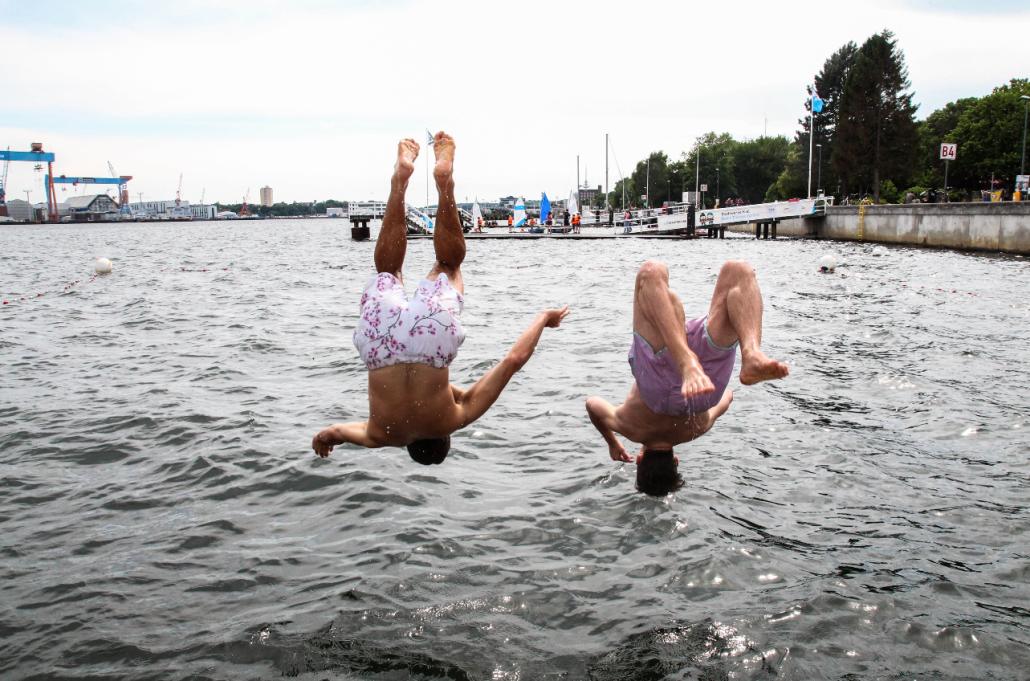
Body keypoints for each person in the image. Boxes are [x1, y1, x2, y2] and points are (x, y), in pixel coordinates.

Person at [312, 133, 570, 464]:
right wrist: (323, 438)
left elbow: (513, 360)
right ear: (409, 446)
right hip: (381, 345)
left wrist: (544, 319)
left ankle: (445, 185)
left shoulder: (454, 418)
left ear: (445, 439)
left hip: (432, 340)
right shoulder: (379, 435)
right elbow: (333, 432)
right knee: (388, 271)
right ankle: (399, 182)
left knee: (448, 265)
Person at [585, 260, 788, 496]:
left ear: (676, 461)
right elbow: (592, 404)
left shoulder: (698, 428)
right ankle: (692, 359)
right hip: (656, 388)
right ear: (639, 459)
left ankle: (750, 352)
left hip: (704, 394)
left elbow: (728, 398)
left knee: (739, 272)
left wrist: (716, 404)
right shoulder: (630, 427)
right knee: (650, 274)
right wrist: (612, 442)